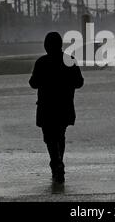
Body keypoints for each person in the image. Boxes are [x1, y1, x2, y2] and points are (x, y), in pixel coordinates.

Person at [29, 32, 84, 183]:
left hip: (46, 107)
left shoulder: (41, 62)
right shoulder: (70, 60)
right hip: (64, 105)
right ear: (60, 45)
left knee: (49, 138)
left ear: (46, 46)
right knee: (60, 135)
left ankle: (56, 162)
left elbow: (33, 84)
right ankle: (58, 162)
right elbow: (79, 82)